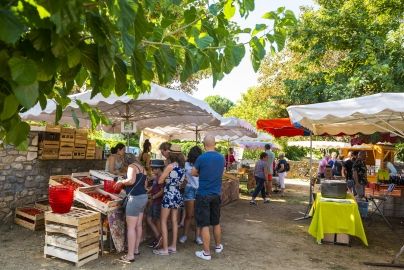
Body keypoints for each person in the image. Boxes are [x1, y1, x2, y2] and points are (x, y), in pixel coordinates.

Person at [192, 135, 225, 261]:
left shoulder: (201, 157)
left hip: (203, 194)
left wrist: (202, 173)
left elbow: (193, 172)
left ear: (204, 144)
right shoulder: (221, 157)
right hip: (216, 194)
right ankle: (217, 246)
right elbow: (221, 173)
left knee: (205, 224)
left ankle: (206, 253)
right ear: (215, 143)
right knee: (216, 222)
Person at [114, 158, 148, 263]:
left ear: (126, 162)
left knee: (131, 228)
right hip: (143, 197)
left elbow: (131, 181)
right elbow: (145, 185)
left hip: (135, 198)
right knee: (138, 225)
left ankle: (130, 255)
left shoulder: (131, 167)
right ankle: (136, 249)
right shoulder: (143, 169)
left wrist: (121, 181)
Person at [153, 145, 185, 256]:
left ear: (171, 154)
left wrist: (165, 178)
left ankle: (165, 249)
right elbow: (180, 182)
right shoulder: (182, 167)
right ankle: (173, 246)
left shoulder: (170, 166)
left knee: (163, 221)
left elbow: (160, 181)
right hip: (177, 194)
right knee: (175, 221)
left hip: (168, 195)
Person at [179, 146, 203, 245]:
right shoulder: (186, 164)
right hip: (190, 189)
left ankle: (197, 236)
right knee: (189, 215)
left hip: (199, 190)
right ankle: (185, 235)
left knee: (197, 215)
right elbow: (182, 176)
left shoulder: (201, 164)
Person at [146, 159, 165, 249]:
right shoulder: (156, 176)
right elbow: (153, 187)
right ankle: (158, 237)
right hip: (154, 201)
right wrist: (147, 192)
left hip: (157, 202)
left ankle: (160, 239)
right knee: (149, 219)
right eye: (152, 168)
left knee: (157, 221)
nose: (152, 170)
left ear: (159, 169)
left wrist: (153, 197)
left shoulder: (161, 177)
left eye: (154, 168)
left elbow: (162, 191)